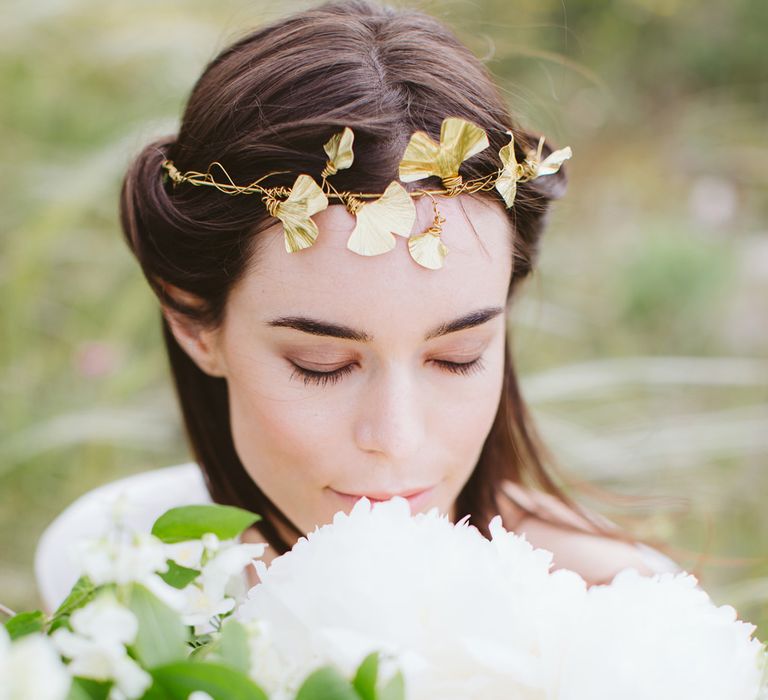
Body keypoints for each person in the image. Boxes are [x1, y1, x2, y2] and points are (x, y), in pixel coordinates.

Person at [116, 0, 680, 589]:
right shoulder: (121, 576)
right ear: (192, 323)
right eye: (322, 365)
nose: (395, 438)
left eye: (457, 357)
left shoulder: (613, 610)